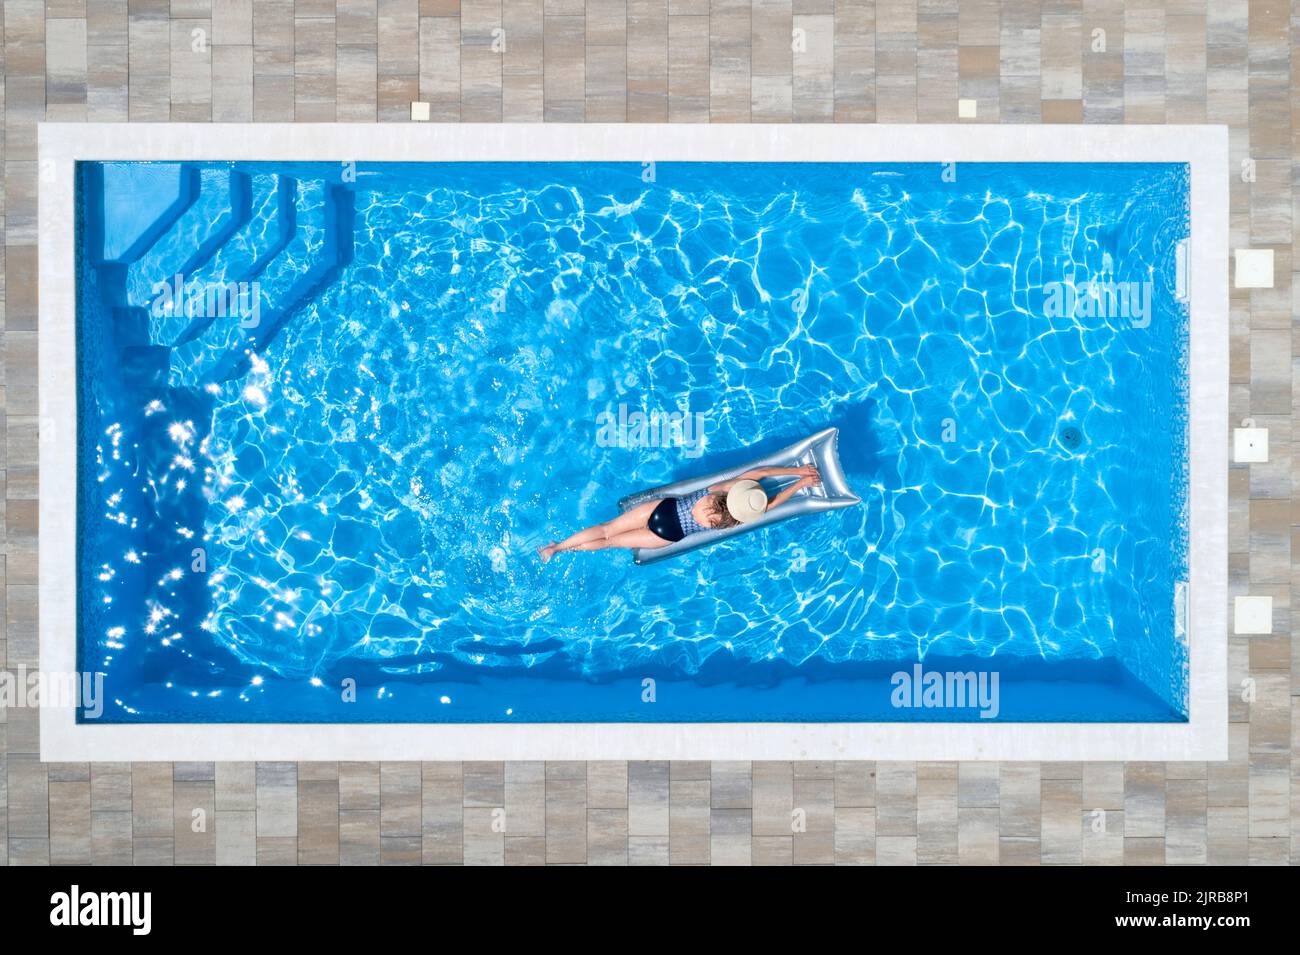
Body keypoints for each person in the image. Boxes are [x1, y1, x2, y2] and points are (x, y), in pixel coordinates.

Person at [537, 465, 821, 562]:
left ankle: (557, 546)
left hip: (665, 510)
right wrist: (802, 483)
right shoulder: (731, 519)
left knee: (606, 528)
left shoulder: (719, 489)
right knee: (611, 542)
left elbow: (761, 473)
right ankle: (562, 552)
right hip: (669, 534)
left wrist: (796, 472)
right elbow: (773, 504)